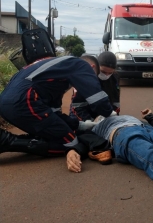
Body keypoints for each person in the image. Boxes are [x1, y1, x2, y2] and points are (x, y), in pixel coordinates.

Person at [0, 28, 116, 156]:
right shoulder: (80, 65)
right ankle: (6, 141)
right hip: (24, 101)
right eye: (94, 76)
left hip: (7, 105)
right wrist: (111, 115)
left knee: (51, 135)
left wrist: (80, 125)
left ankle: (10, 141)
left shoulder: (53, 73)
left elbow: (54, 114)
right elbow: (97, 100)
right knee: (72, 143)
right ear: (92, 67)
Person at [70, 51, 121, 121]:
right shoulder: (85, 78)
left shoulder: (115, 78)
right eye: (103, 72)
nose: (106, 75)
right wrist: (90, 122)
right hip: (82, 114)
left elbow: (116, 100)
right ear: (96, 67)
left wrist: (113, 116)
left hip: (104, 112)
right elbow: (77, 106)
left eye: (110, 73)